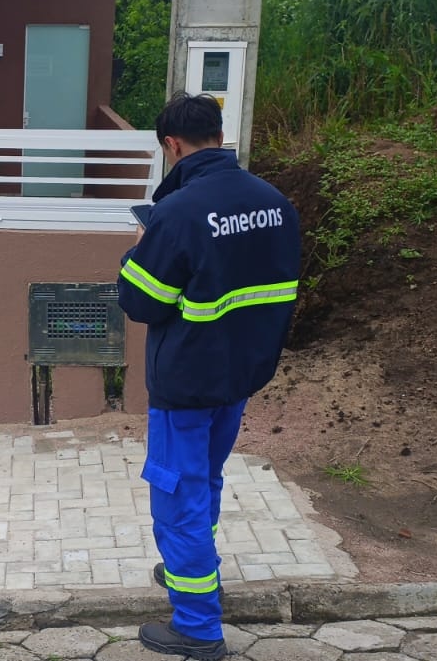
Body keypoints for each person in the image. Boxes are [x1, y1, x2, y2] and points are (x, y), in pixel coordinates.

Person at [116, 93, 301, 660]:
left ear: (171, 145)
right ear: (219, 136)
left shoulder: (178, 212)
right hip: (240, 375)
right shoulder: (274, 203)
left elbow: (141, 302)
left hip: (186, 382)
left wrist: (139, 251)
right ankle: (197, 570)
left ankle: (197, 626)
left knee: (178, 497)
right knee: (206, 481)